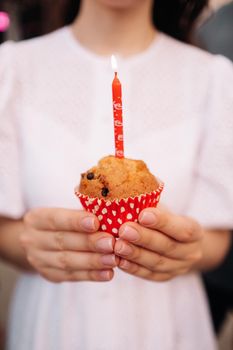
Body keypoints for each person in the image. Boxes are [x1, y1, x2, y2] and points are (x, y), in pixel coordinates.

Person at [0, 0, 232, 349]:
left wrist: (188, 247)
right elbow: (4, 226)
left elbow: (217, 236)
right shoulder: (11, 68)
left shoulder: (215, 78)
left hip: (169, 326)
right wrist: (31, 245)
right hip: (53, 325)